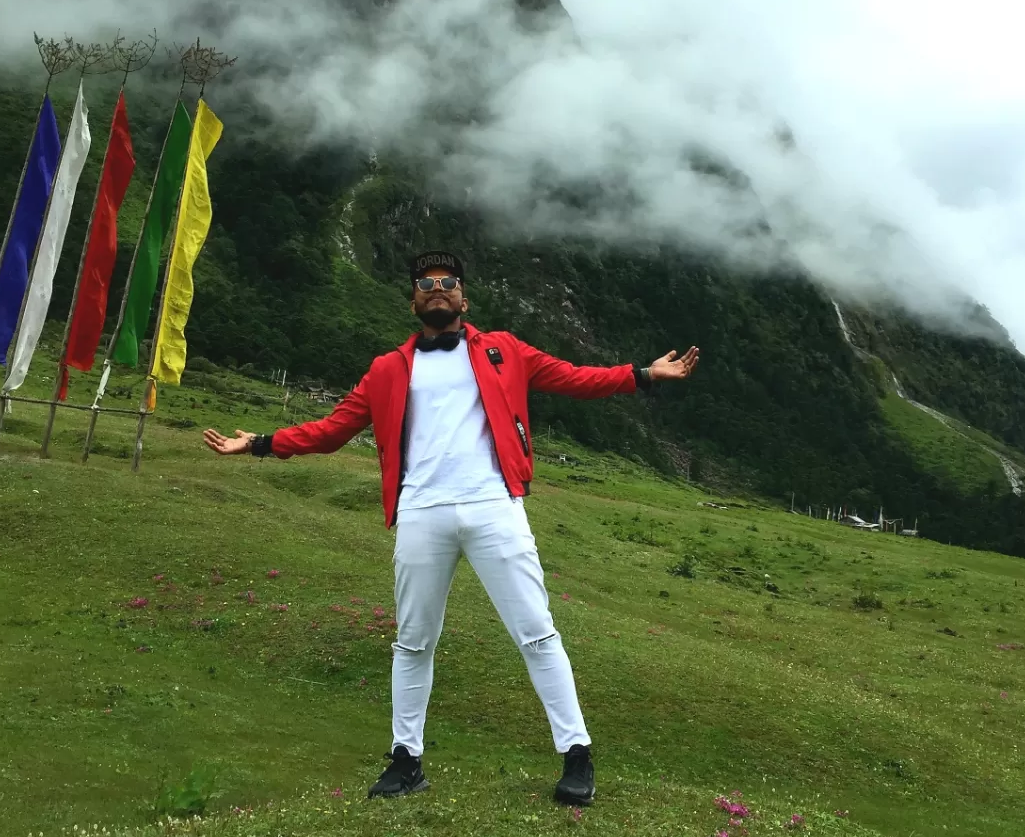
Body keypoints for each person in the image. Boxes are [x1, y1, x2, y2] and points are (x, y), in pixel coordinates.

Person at [203, 250, 698, 804]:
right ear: (413, 299)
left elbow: (575, 378)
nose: (436, 288)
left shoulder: (504, 350)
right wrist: (263, 443)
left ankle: (576, 756)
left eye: (447, 281)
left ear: (464, 296)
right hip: (421, 513)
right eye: (425, 282)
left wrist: (642, 376)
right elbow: (334, 428)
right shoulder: (387, 368)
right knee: (413, 641)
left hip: (494, 506)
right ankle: (405, 761)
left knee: (537, 630)